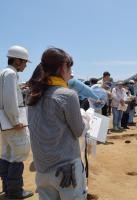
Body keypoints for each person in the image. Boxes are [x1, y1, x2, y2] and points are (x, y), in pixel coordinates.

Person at [27, 47, 87, 199]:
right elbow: (79, 131)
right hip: (66, 170)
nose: (70, 72)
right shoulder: (68, 95)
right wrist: (86, 120)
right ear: (63, 66)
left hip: (42, 169)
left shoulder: (33, 94)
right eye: (70, 67)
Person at [0, 45, 33, 199]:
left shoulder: (4, 72)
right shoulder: (11, 74)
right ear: (18, 61)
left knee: (6, 155)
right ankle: (14, 192)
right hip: (12, 123)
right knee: (19, 155)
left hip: (4, 124)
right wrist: (15, 120)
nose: (25, 66)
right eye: (25, 62)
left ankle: (7, 188)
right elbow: (9, 100)